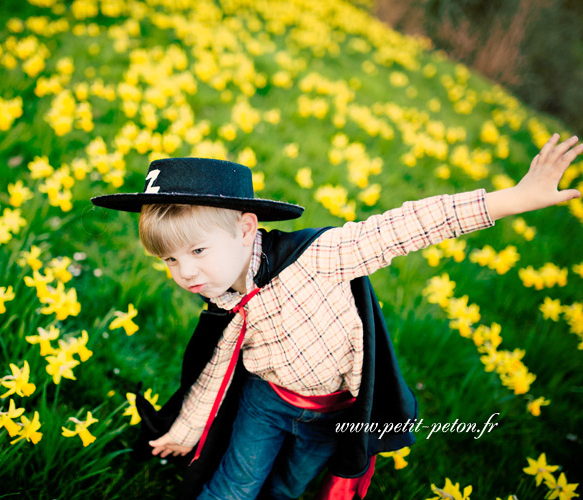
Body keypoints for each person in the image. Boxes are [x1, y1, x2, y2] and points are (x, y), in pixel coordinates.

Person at [90, 134, 582, 500]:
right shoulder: (222, 297)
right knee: (234, 486)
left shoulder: (319, 258)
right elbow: (215, 370)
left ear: (246, 228)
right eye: (170, 260)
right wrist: (185, 428)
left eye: (196, 250)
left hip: (332, 414)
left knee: (288, 487)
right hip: (265, 402)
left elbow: (402, 227)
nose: (185, 272)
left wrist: (514, 199)